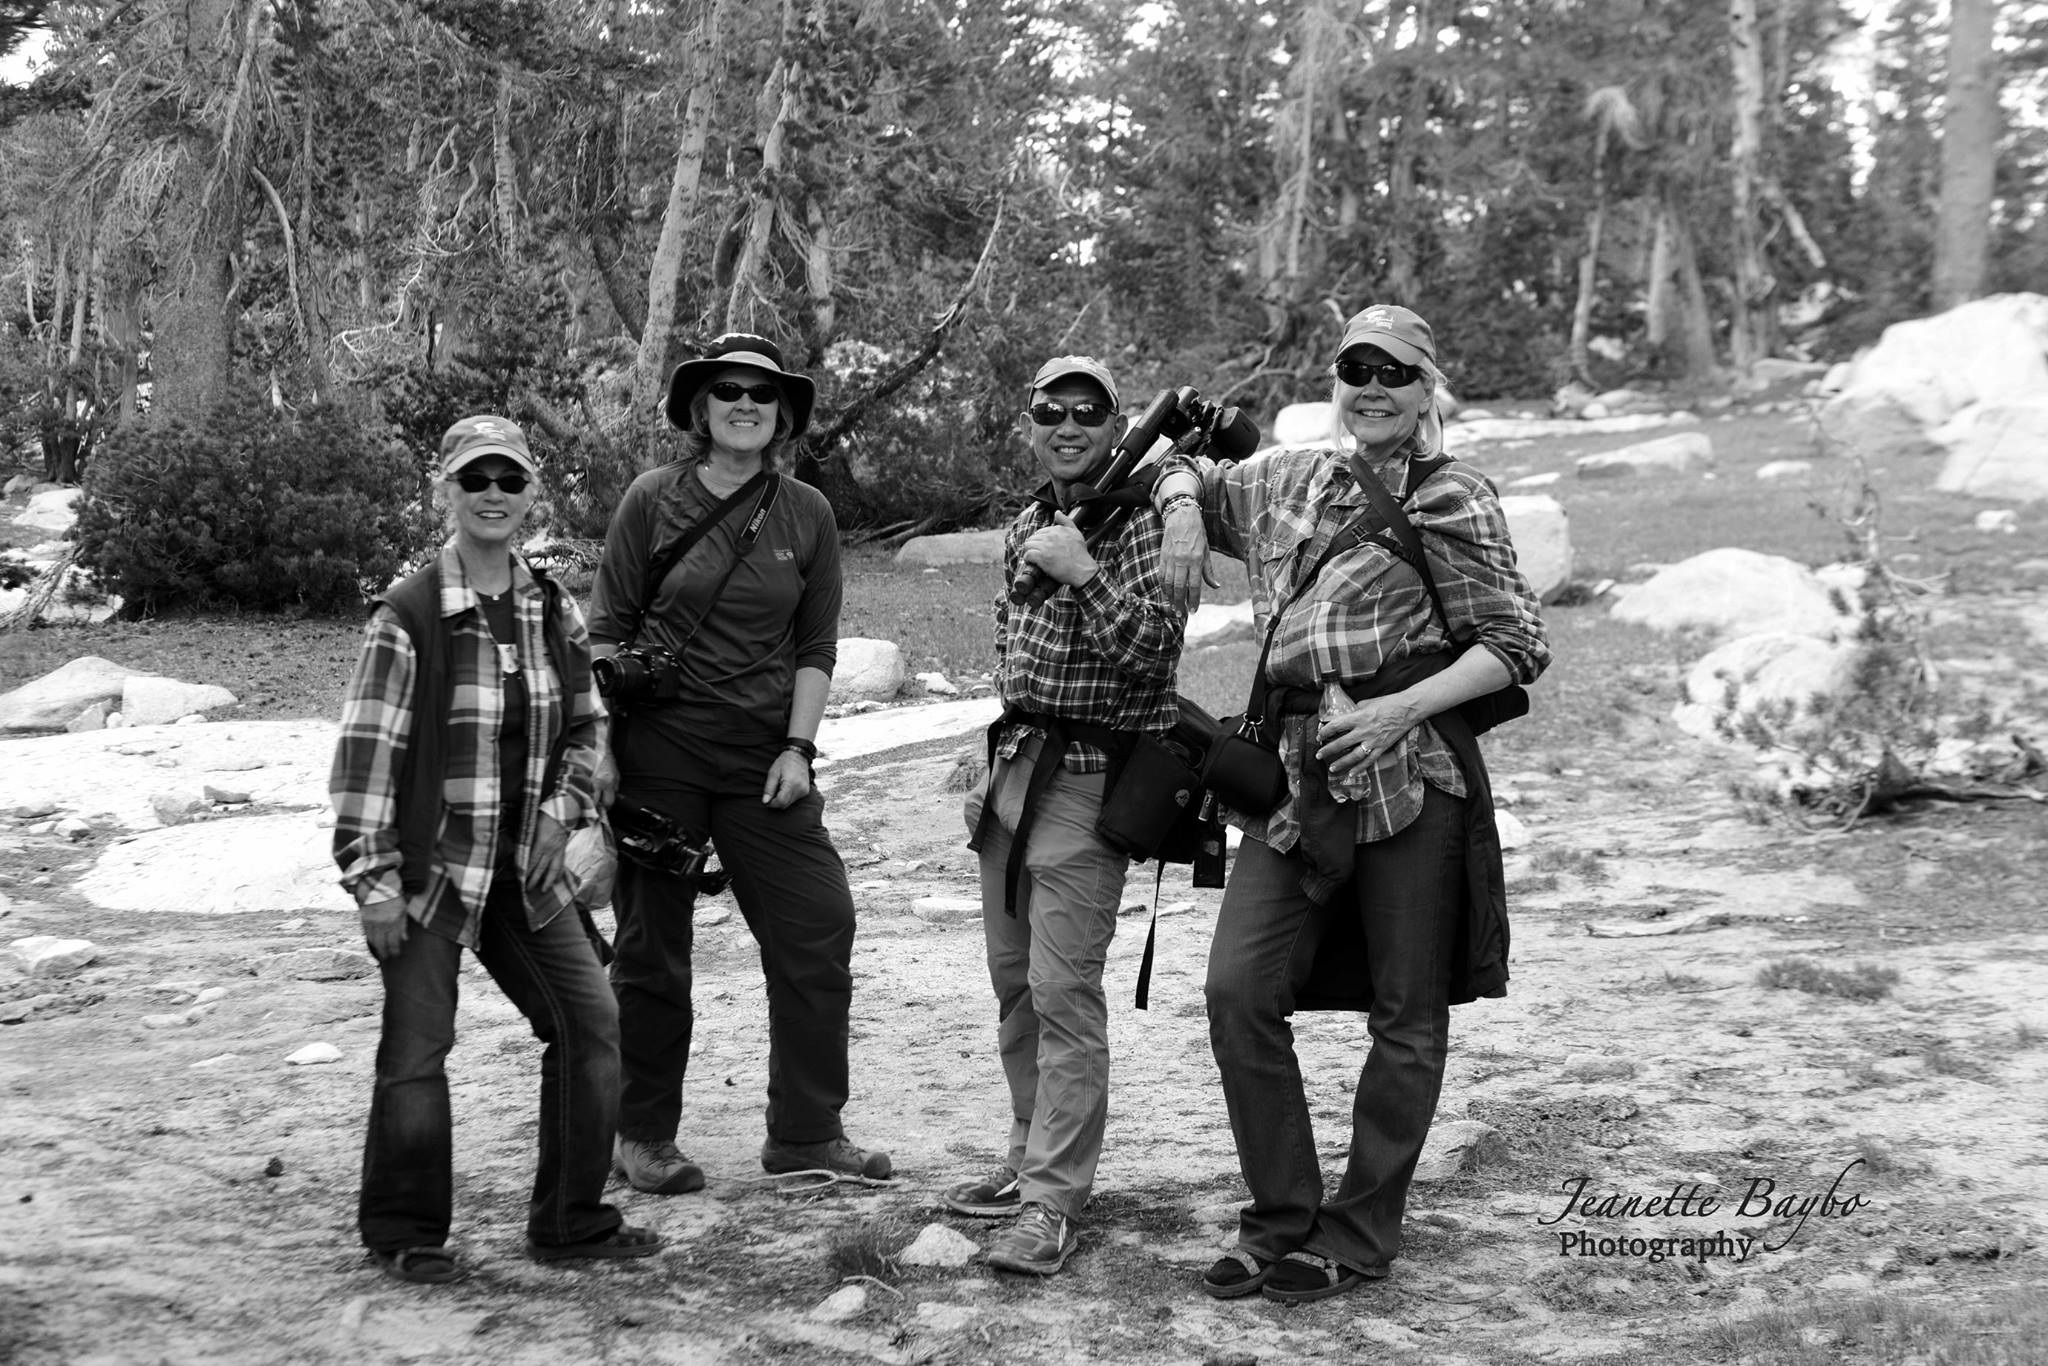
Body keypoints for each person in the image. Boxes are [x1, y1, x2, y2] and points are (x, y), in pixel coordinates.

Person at [1148, 305, 1550, 1303]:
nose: (1372, 387)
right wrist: (1184, 507)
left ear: (1425, 390)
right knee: (1238, 988)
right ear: (1335, 380)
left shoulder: (1454, 495)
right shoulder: (1287, 477)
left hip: (1412, 770)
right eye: (1355, 368)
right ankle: (1280, 1214)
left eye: (1394, 372)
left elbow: (1514, 641)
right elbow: (1179, 465)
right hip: (1296, 776)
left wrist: (1399, 710)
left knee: (1406, 1010)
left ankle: (1360, 1231)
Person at [331, 415, 661, 1284]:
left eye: (509, 481)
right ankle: (406, 1232)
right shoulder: (406, 616)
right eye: (475, 479)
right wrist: (373, 881)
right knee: (418, 1049)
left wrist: (562, 811)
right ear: (447, 489)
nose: (492, 495)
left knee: (591, 1023)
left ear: (529, 495)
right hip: (429, 869)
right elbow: (365, 758)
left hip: (525, 865)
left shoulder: (552, 608)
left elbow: (587, 726)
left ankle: (570, 1222)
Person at [587, 332, 889, 1195]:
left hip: (766, 759)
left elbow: (816, 645)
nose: (745, 404)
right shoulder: (652, 499)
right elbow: (605, 633)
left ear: (783, 413)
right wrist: (602, 748)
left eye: (762, 392)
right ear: (700, 407)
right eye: (727, 390)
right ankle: (641, 1134)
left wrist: (799, 748)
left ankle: (805, 1132)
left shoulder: (807, 512)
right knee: (652, 951)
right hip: (660, 750)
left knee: (817, 925)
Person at [946, 355, 1189, 1276]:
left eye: (1089, 411)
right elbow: (1012, 650)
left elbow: (1158, 653)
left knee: (1063, 994)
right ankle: (1025, 1155)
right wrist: (987, 763)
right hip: (1014, 777)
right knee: (1013, 984)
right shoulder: (1026, 525)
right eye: (1051, 411)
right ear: (1031, 427)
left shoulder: (1141, 526)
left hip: (1091, 783)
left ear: (1115, 426)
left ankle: (1052, 1202)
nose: (1068, 425)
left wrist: (1085, 574)